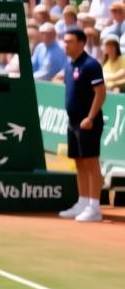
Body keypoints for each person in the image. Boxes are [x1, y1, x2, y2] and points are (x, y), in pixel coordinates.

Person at [58, 27, 105, 222]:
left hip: (88, 122)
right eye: (65, 41)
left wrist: (91, 117)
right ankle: (83, 202)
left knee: (91, 162)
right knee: (79, 162)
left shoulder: (91, 65)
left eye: (69, 41)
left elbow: (101, 92)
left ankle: (94, 207)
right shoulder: (69, 66)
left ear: (81, 43)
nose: (65, 45)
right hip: (73, 122)